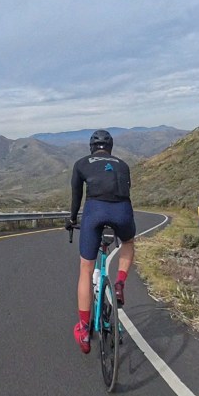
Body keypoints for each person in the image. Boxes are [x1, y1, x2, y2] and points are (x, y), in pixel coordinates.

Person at [65, 129, 137, 354]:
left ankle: (84, 330)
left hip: (94, 211)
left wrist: (72, 219)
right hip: (122, 212)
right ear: (110, 147)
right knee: (128, 243)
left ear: (91, 147)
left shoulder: (81, 163)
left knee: (86, 269)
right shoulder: (123, 164)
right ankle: (119, 284)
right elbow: (124, 191)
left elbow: (77, 196)